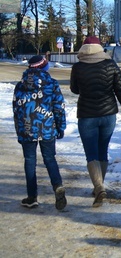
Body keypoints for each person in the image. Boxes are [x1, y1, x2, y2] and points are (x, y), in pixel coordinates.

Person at [70, 35, 121, 207]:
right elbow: (120, 90)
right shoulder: (110, 64)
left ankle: (98, 187)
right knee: (102, 151)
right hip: (108, 115)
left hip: (86, 115)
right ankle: (99, 187)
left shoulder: (77, 67)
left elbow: (74, 90)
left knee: (91, 154)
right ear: (100, 48)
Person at [13, 55, 67, 210]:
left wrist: (19, 131)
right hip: (48, 128)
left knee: (30, 161)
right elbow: (58, 108)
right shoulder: (52, 83)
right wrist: (61, 127)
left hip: (27, 129)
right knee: (49, 158)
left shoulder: (20, 85)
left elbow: (16, 110)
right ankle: (57, 186)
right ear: (44, 67)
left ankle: (32, 197)